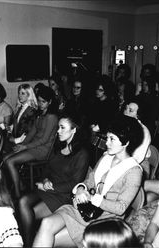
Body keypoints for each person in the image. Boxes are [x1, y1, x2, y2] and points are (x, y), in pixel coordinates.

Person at [33, 115, 144, 248]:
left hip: (104, 221)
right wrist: (81, 189)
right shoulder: (107, 158)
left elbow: (120, 208)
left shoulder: (133, 171)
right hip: (86, 211)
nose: (106, 143)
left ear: (126, 143)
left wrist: (92, 198)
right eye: (107, 138)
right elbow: (90, 180)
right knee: (46, 223)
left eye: (111, 139)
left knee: (51, 238)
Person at [18, 113, 90, 246]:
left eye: (62, 128)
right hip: (48, 189)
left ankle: (29, 243)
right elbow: (47, 169)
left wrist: (48, 187)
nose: (58, 131)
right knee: (22, 203)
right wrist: (45, 180)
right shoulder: (59, 147)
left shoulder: (82, 153)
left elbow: (74, 183)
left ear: (74, 129)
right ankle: (28, 242)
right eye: (58, 127)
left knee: (26, 214)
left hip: (63, 196)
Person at [3, 86, 58, 199]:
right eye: (39, 101)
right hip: (33, 146)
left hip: (43, 150)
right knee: (5, 158)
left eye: (44, 101)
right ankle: (21, 185)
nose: (40, 103)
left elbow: (44, 140)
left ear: (50, 102)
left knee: (10, 162)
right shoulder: (40, 114)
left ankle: (18, 194)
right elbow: (31, 133)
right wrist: (21, 145)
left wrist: (25, 146)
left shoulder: (51, 117)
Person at [3, 84, 37, 153]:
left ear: (29, 95)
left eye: (23, 93)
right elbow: (17, 124)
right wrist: (10, 128)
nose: (19, 96)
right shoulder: (19, 108)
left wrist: (16, 140)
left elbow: (29, 131)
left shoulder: (32, 111)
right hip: (15, 139)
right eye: (19, 93)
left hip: (24, 143)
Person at [123, 100, 151, 178]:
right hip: (123, 160)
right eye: (126, 109)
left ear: (138, 115)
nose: (125, 112)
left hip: (140, 165)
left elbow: (137, 157)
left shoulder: (144, 131)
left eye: (130, 110)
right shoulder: (123, 126)